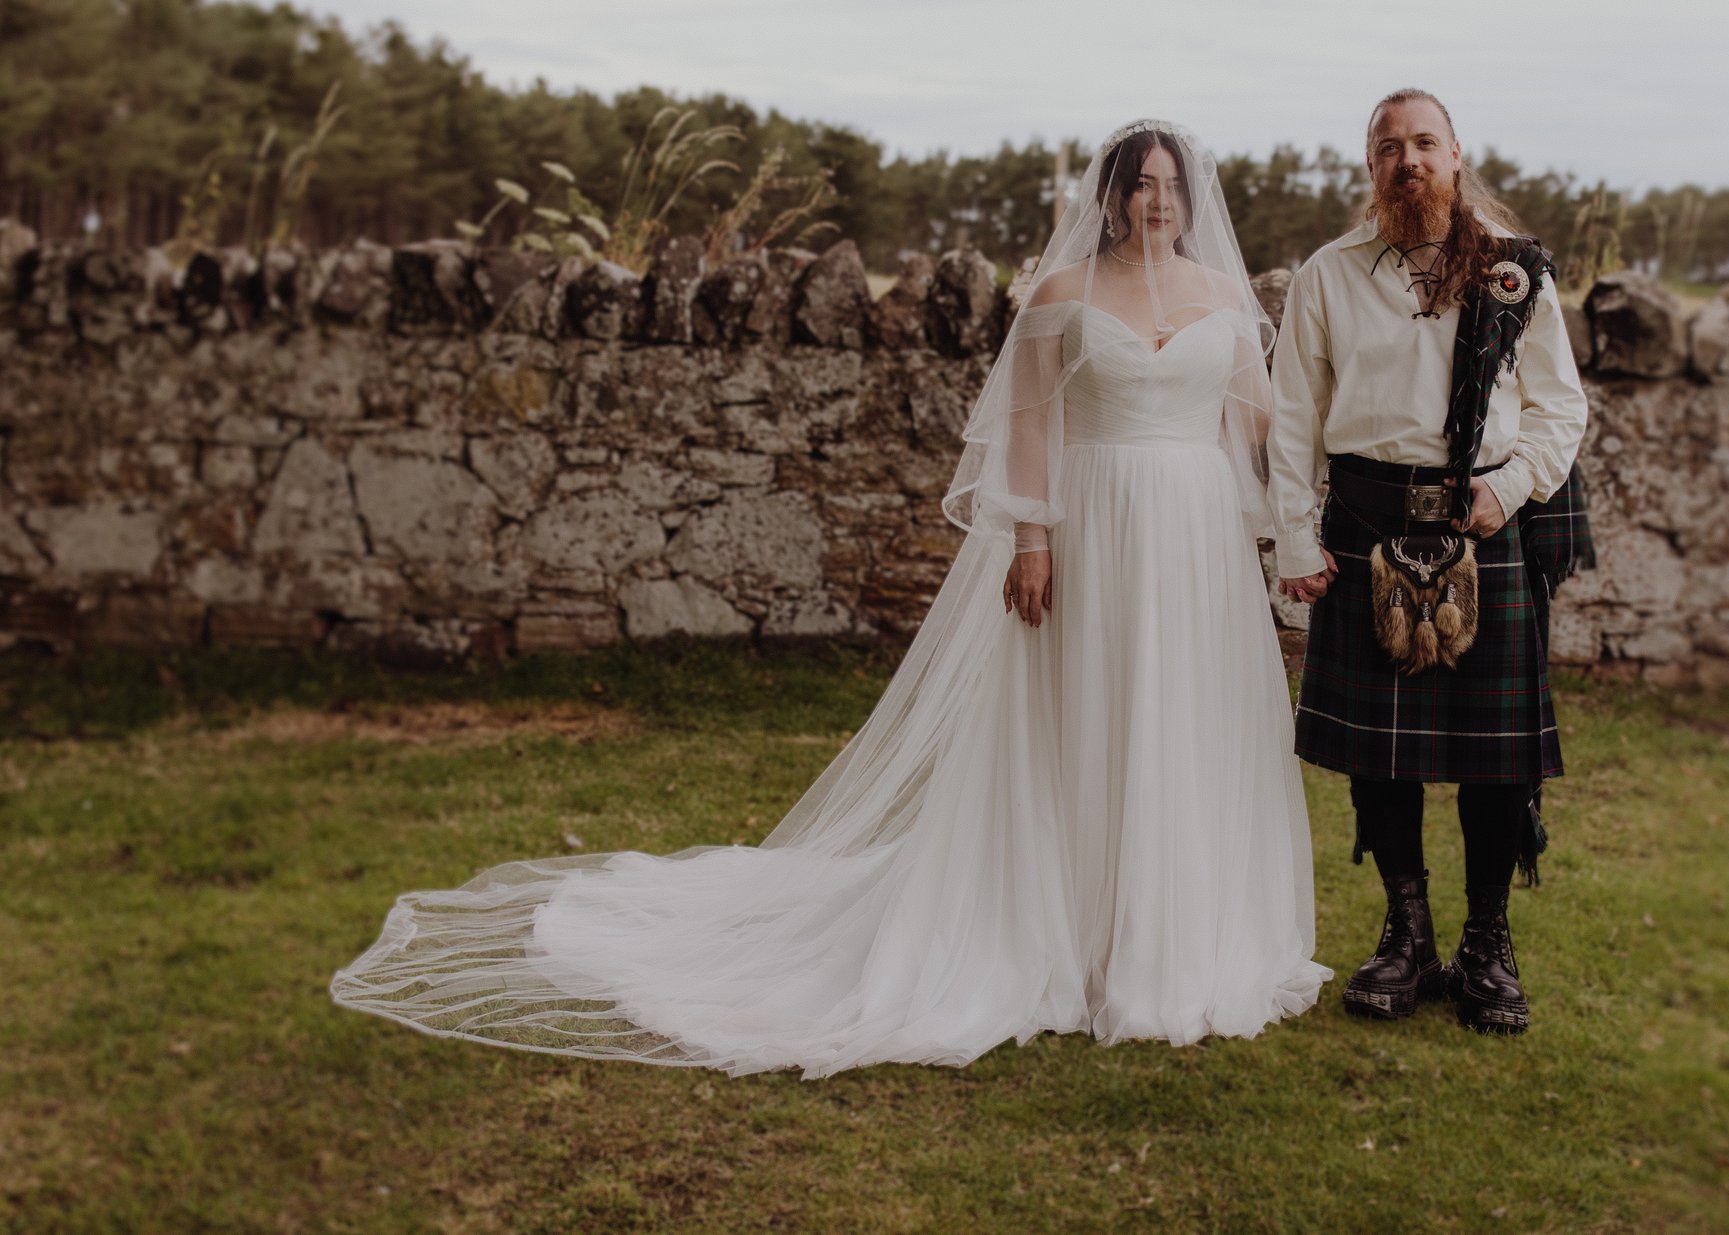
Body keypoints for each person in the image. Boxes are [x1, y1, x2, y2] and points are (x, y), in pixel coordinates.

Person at [331, 122, 1329, 1075]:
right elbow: (1029, 426)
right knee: (1089, 719)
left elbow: (1259, 424)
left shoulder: (1224, 297)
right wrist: (1031, 535)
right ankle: (1070, 928)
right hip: (1094, 527)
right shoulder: (1062, 291)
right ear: (1108, 195)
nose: (1154, 200)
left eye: (1169, 185)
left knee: (1184, 724)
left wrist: (1303, 517)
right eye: (1137, 182)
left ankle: (1177, 935)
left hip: (1192, 544)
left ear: (1188, 198)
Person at [1271, 88, 1590, 1035]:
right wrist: (1295, 535)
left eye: (1423, 144)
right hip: (1365, 521)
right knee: (1386, 754)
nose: (1406, 161)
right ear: (1368, 167)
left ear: (1457, 155)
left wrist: (1515, 484)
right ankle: (1406, 935)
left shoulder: (1513, 273)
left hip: (1482, 520)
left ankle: (1485, 944)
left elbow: (1558, 406)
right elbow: (1293, 415)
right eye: (1386, 148)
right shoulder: (1327, 277)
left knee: (1493, 767)